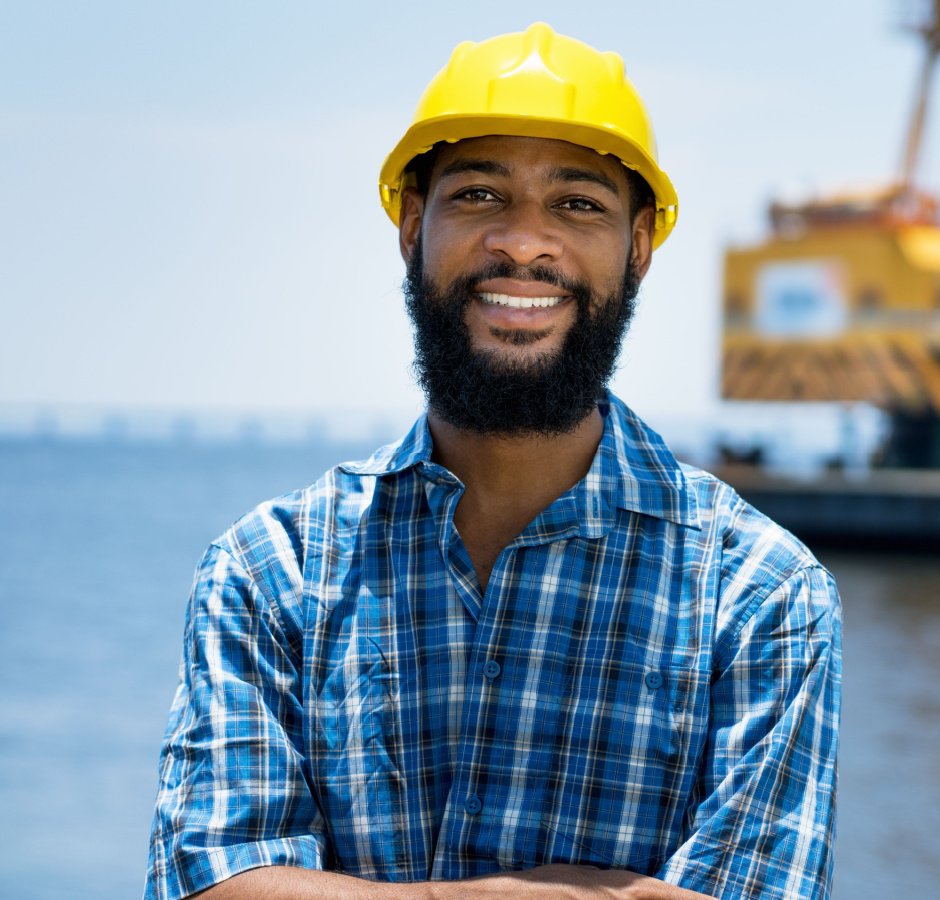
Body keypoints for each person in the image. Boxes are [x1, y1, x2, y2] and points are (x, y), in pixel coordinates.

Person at [144, 23, 841, 900]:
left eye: (578, 204)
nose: (524, 243)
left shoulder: (760, 597)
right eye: (478, 195)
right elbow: (210, 887)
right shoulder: (272, 573)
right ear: (411, 229)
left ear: (639, 249)